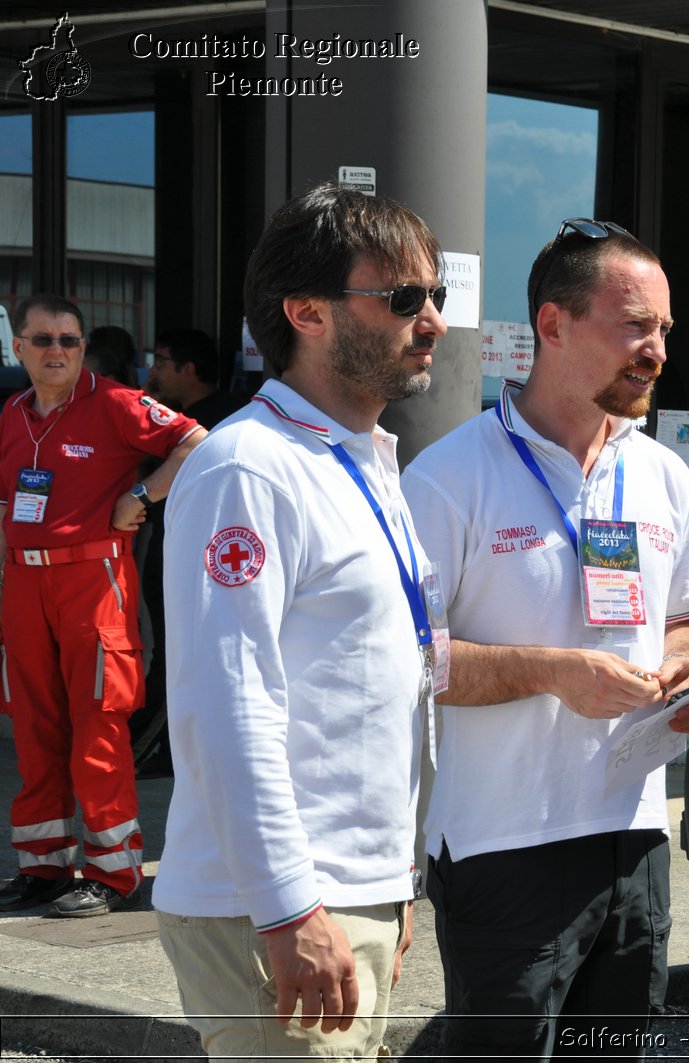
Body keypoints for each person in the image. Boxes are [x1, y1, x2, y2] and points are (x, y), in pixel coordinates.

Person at [401, 217, 689, 1059]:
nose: (656, 349)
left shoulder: (664, 475)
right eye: (635, 326)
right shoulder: (447, 477)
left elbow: (684, 623)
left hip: (635, 837)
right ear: (553, 324)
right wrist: (549, 671)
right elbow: (408, 661)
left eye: (664, 330)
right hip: (503, 846)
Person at [154, 182, 447, 1059]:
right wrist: (291, 904)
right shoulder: (250, 466)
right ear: (306, 311)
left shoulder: (358, 459)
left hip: (343, 895)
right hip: (276, 907)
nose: (430, 319)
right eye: (401, 297)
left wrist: (389, 887)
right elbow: (228, 705)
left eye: (437, 296)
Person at [0, 294, 204, 917]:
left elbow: (197, 440)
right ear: (19, 349)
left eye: (68, 339)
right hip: (23, 585)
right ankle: (43, 865)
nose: (56, 350)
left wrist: (141, 495)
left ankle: (113, 872)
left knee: (98, 726)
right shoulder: (11, 413)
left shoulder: (114, 403)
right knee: (33, 726)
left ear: (83, 347)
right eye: (42, 340)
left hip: (92, 581)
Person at [132, 327, 247, 776]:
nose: (153, 370)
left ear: (189, 369)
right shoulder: (179, 414)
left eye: (161, 361)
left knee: (177, 651)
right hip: (178, 547)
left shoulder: (210, 423)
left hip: (199, 554)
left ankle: (150, 749)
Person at [144, 328, 247, 428]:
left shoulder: (227, 420)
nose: (152, 371)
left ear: (187, 368)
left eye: (159, 362)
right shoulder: (173, 410)